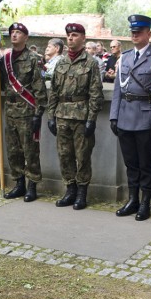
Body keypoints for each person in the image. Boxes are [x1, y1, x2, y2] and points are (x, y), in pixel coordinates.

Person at [109, 14, 151, 221]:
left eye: (139, 32)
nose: (135, 34)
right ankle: (133, 199)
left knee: (145, 163)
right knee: (130, 163)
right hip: (124, 116)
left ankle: (145, 202)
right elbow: (117, 90)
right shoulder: (126, 56)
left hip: (145, 117)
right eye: (133, 31)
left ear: (148, 34)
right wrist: (114, 116)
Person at [47, 22, 103, 210]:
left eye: (75, 35)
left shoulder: (91, 63)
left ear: (83, 38)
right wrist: (50, 116)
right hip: (62, 115)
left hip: (81, 116)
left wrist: (91, 119)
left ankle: (81, 193)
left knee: (83, 156)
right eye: (69, 35)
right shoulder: (61, 62)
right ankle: (70, 190)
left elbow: (96, 93)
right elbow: (54, 91)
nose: (70, 38)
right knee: (64, 155)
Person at [0, 22, 46, 202]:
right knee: (13, 151)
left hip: (27, 110)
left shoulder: (34, 59)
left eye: (18, 32)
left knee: (30, 151)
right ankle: (18, 184)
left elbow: (39, 88)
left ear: (26, 37)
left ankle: (32, 185)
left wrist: (38, 113)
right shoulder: (5, 59)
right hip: (10, 110)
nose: (14, 35)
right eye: (12, 32)